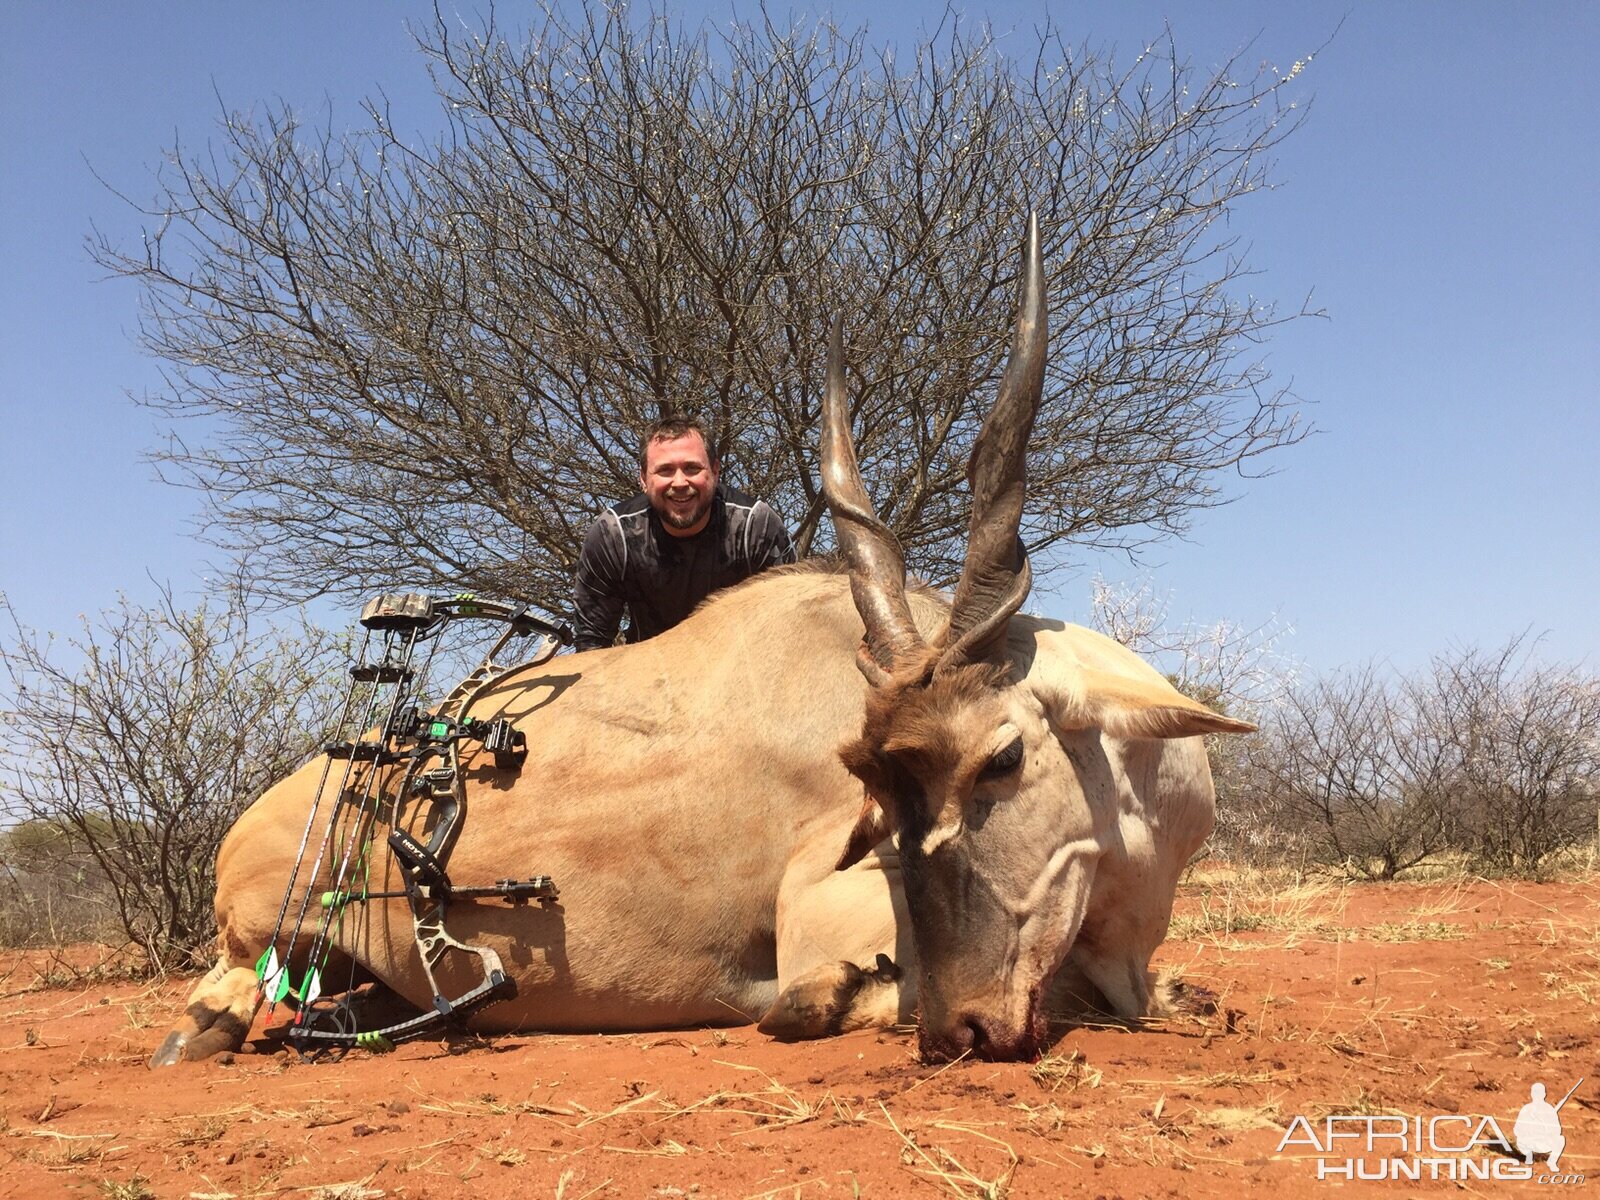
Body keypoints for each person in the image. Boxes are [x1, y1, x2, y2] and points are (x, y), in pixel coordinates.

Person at [573, 415, 796, 652]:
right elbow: (591, 643)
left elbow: (790, 626)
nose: (679, 482)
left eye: (692, 468)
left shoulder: (755, 525)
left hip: (741, 670)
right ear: (643, 479)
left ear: (716, 471)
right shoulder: (613, 534)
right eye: (665, 471)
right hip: (650, 672)